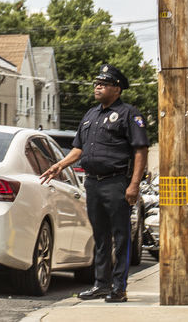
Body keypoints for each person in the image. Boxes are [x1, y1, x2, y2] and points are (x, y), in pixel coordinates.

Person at [40, 64, 147, 304]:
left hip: (117, 182)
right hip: (93, 184)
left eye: (104, 83)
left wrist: (134, 185)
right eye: (97, 83)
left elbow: (140, 149)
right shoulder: (90, 115)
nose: (97, 87)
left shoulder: (129, 114)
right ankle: (101, 284)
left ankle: (119, 288)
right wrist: (59, 165)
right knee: (100, 236)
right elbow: (78, 148)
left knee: (120, 236)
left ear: (117, 89)